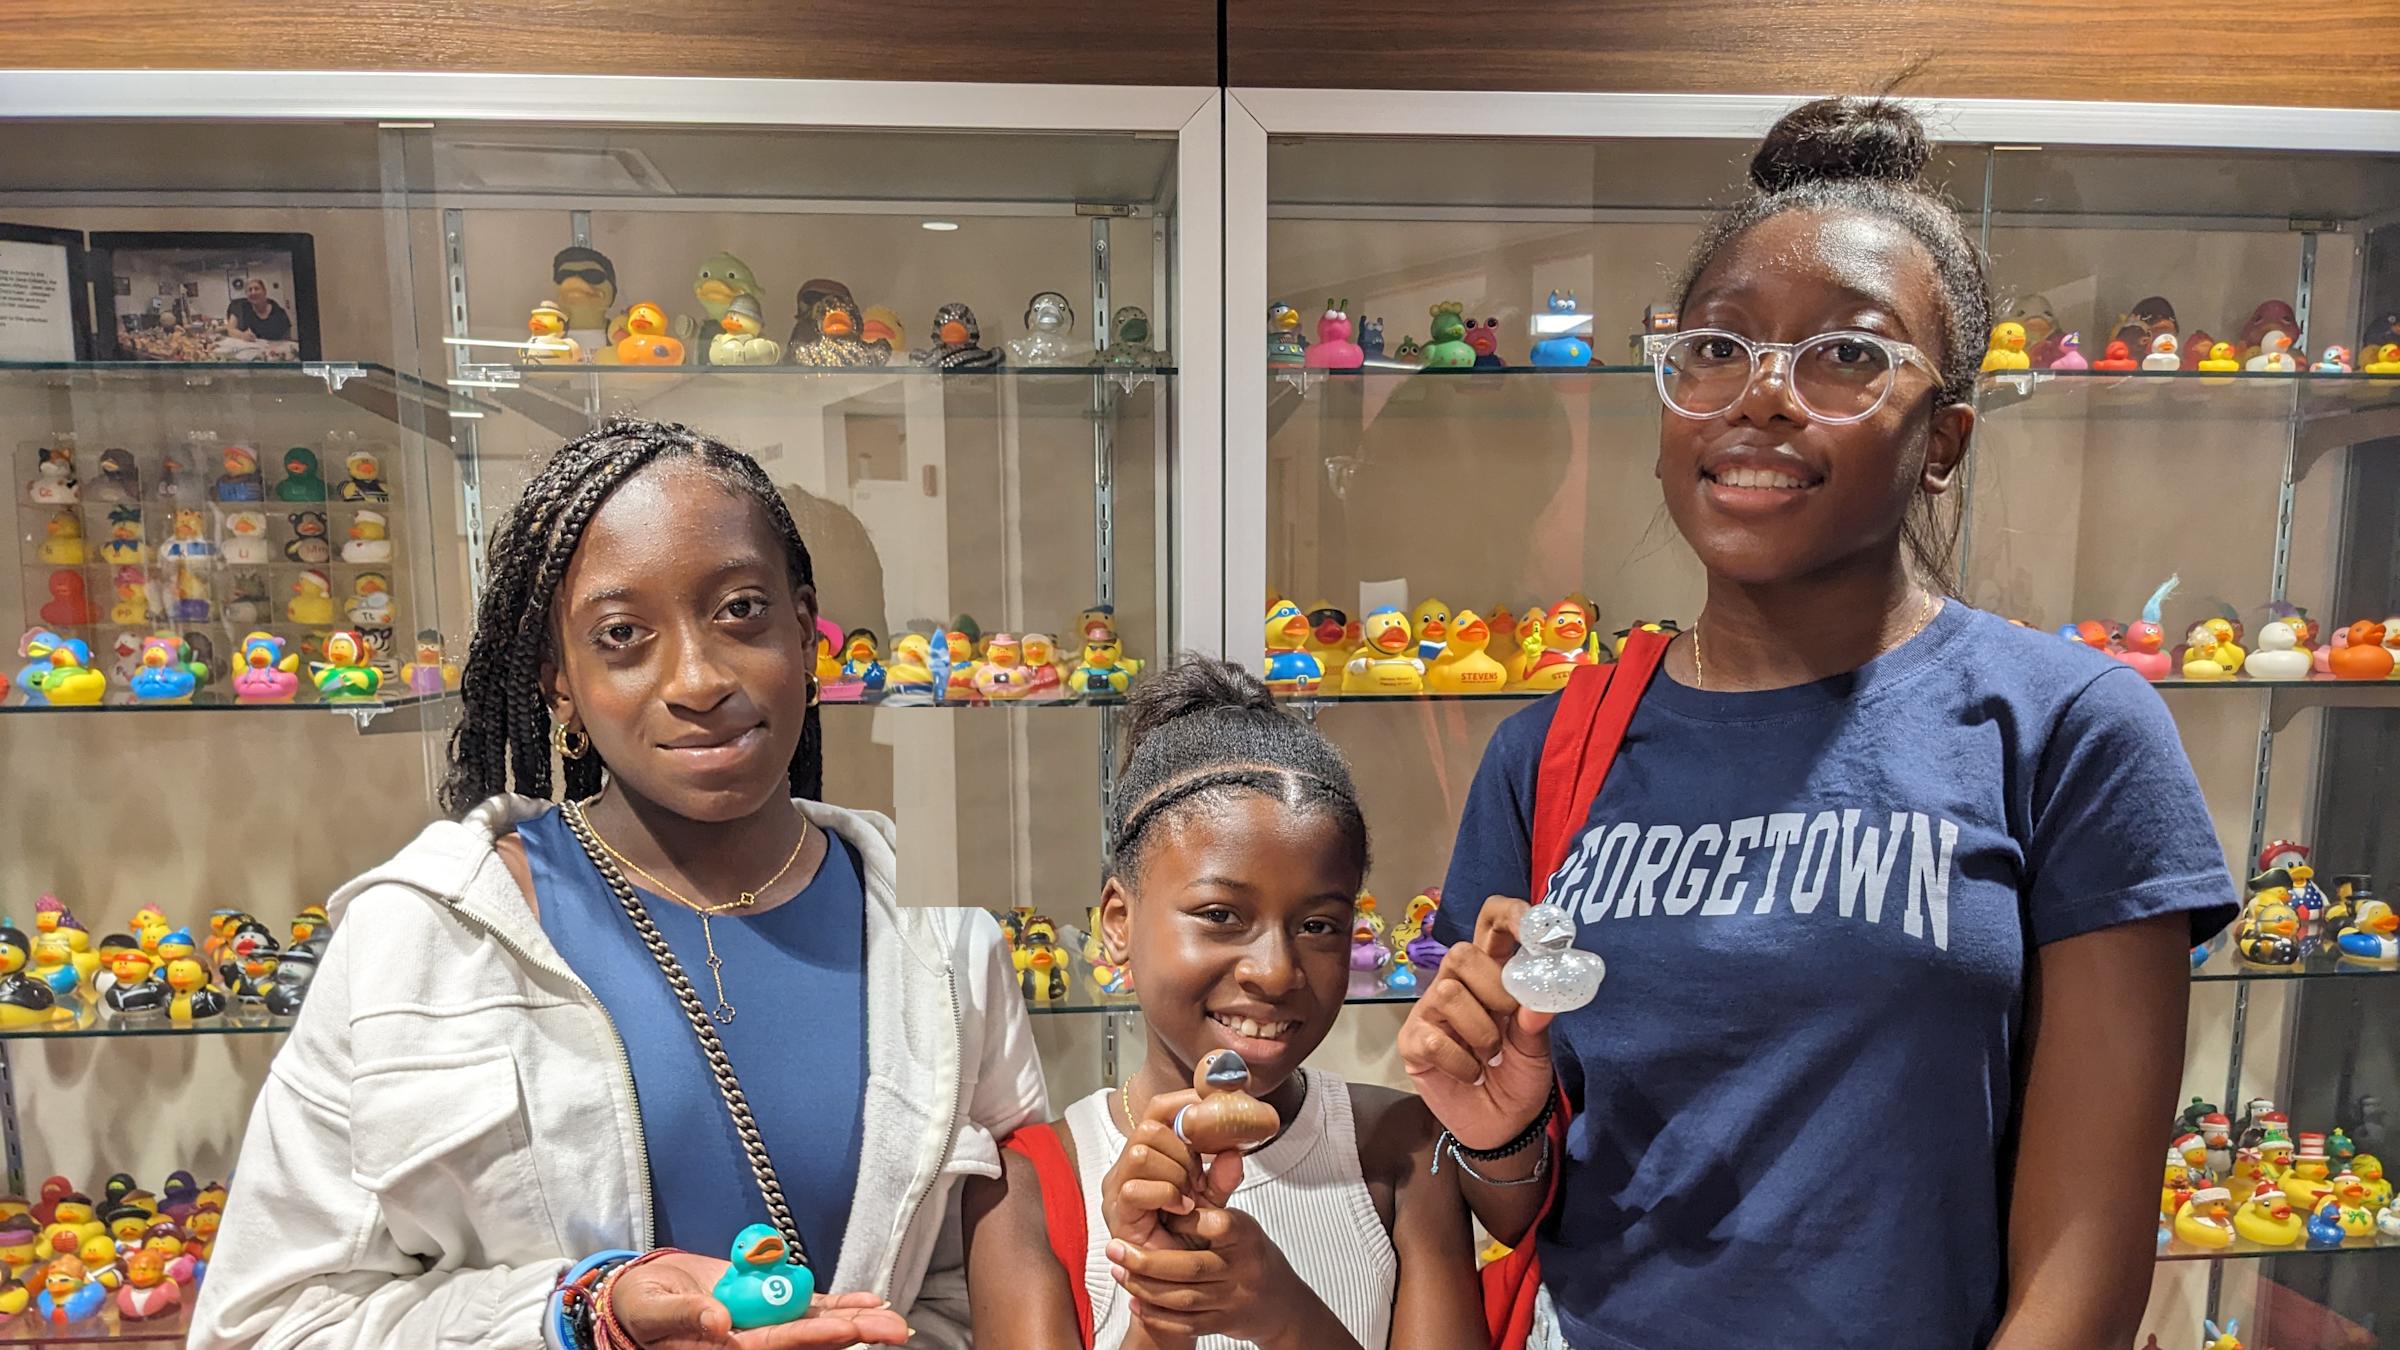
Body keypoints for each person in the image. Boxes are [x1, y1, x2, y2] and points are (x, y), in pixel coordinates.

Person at [1403, 98, 2236, 1350]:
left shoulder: (2067, 732)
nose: (1763, 397)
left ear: (1945, 439)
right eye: (1716, 348)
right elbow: (1519, 1212)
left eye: (1848, 356)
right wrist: (1497, 1129)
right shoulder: (1550, 754)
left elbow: (2087, 1264)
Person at [191, 417, 1046, 1350]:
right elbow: (269, 1324)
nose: (698, 677)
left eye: (740, 611)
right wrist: (582, 1316)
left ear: (806, 632)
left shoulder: (945, 958)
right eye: (623, 634)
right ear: (560, 682)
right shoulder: (427, 938)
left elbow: (990, 1291)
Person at [963, 659, 1484, 1350]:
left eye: (1319, 925)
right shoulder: (1026, 1187)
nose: (1274, 971)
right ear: (1117, 923)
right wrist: (1165, 1306)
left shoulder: (1403, 1151)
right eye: (1220, 915)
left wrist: (1286, 1317)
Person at [223, 278, 292, 343]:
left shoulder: (278, 312)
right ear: (246, 295)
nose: (253, 292)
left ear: (264, 292)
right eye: (249, 290)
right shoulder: (241, 307)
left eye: (257, 289)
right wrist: (242, 335)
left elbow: (287, 336)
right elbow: (230, 329)